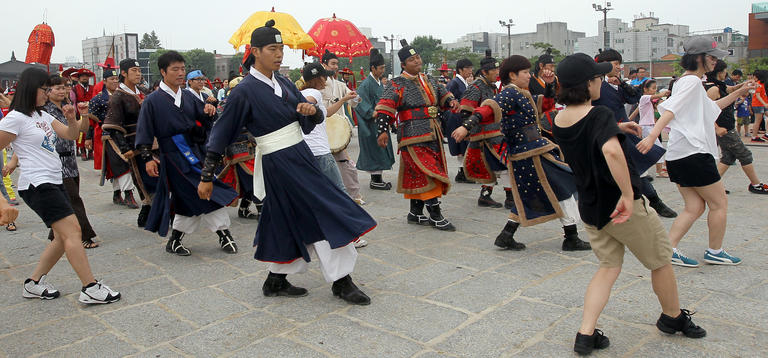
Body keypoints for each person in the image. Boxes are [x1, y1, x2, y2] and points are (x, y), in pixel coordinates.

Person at [200, 21, 375, 305]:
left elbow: (308, 120)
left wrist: (310, 112)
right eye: (272, 49)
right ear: (255, 51)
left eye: (281, 49)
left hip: (300, 155)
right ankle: (342, 281)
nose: (279, 54)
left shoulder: (283, 81)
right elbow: (220, 132)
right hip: (278, 163)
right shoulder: (243, 91)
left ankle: (275, 280)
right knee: (324, 210)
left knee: (285, 218)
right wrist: (207, 175)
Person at [552, 53, 706, 355]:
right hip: (621, 205)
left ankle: (586, 334)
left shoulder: (559, 119)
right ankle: (672, 317)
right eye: (598, 78)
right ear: (588, 84)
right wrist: (626, 194)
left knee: (608, 266)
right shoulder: (598, 114)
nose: (602, 81)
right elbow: (610, 152)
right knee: (660, 260)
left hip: (591, 206)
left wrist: (617, 128)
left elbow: (586, 139)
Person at [0, 68, 120, 304]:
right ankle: (90, 286)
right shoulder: (15, 118)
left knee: (61, 238)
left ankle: (33, 283)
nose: (48, 94)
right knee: (73, 232)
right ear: (30, 89)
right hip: (37, 183)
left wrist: (74, 116)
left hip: (54, 180)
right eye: (44, 89)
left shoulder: (42, 116)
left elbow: (70, 134)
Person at [637, 36, 757, 267]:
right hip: (694, 153)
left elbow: (711, 108)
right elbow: (670, 110)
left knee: (694, 207)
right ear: (699, 58)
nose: (715, 61)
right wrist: (652, 136)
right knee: (719, 203)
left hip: (679, 155)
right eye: (712, 57)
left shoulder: (687, 82)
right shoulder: (692, 83)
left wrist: (738, 92)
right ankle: (715, 250)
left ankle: (668, 248)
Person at [462, 55, 590, 251]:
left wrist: (548, 85)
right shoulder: (509, 94)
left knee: (529, 193)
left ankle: (506, 235)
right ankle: (571, 236)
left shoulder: (521, 93)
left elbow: (545, 106)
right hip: (528, 153)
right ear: (512, 75)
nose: (529, 75)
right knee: (561, 186)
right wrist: (467, 126)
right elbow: (489, 108)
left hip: (531, 150)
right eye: (525, 72)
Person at [135, 51, 239, 256]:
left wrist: (209, 109)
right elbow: (144, 131)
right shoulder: (152, 101)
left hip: (194, 151)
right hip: (171, 155)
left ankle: (175, 240)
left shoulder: (189, 97)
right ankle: (224, 233)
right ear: (163, 72)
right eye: (175, 69)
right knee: (202, 189)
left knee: (188, 196)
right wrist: (147, 158)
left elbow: (204, 118)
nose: (181, 73)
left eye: (183, 69)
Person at [375, 40, 460, 231]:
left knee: (417, 172)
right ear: (403, 65)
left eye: (418, 57)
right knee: (427, 171)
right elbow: (385, 108)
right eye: (412, 60)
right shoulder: (396, 83)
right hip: (412, 134)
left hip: (433, 131)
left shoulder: (429, 79)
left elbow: (444, 95)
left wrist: (452, 101)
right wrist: (382, 131)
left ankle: (415, 213)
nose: (417, 61)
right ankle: (436, 215)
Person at [593, 49, 678, 219]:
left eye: (619, 64)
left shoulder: (616, 83)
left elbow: (634, 98)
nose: (619, 67)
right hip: (608, 133)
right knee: (630, 170)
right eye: (616, 64)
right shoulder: (594, 85)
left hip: (625, 131)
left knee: (636, 168)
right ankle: (649, 201)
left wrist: (621, 84)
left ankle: (652, 201)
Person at [40, 75, 100, 248]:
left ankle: (56, 235)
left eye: (64, 87)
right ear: (48, 91)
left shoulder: (66, 107)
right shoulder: (44, 111)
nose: (62, 91)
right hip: (55, 161)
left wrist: (84, 115)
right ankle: (85, 235)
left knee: (66, 199)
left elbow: (81, 128)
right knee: (73, 199)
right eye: (57, 88)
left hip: (70, 161)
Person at [451, 50, 508, 209]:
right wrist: (468, 131)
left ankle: (492, 196)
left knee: (499, 165)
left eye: (498, 70)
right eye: (494, 70)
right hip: (482, 135)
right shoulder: (475, 87)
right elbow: (465, 112)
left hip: (495, 132)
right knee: (501, 165)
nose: (497, 73)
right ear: (484, 72)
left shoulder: (492, 86)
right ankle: (503, 196)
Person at [704, 60, 768, 195]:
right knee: (744, 154)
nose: (726, 73)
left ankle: (712, 184)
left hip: (726, 126)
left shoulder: (718, 85)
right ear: (719, 72)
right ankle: (755, 184)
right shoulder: (713, 89)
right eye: (725, 70)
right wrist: (716, 128)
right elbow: (705, 111)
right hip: (724, 129)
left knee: (728, 157)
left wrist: (744, 85)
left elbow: (730, 89)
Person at [318, 51, 365, 205]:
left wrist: (356, 97)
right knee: (326, 167)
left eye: (337, 64)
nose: (336, 67)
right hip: (323, 130)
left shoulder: (340, 85)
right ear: (324, 64)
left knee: (346, 165)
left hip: (338, 132)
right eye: (333, 64)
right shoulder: (318, 84)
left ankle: (354, 195)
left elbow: (353, 102)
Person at [102, 59, 145, 212]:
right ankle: (131, 197)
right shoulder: (118, 96)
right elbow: (113, 126)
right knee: (137, 177)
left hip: (148, 143)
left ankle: (148, 211)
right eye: (134, 70)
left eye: (139, 70)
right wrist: (124, 147)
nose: (138, 73)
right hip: (131, 142)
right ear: (124, 73)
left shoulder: (143, 92)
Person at [355, 49, 395, 191]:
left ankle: (378, 179)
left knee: (381, 149)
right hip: (372, 122)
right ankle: (375, 180)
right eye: (381, 68)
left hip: (380, 121)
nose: (383, 70)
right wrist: (371, 112)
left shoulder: (378, 83)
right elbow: (358, 101)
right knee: (375, 149)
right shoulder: (366, 84)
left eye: (384, 67)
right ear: (373, 68)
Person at [628, 80, 668, 177]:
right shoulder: (644, 97)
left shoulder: (645, 101)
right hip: (647, 127)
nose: (655, 90)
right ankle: (660, 171)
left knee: (648, 148)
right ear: (645, 89)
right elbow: (655, 97)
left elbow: (636, 112)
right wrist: (662, 94)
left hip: (647, 126)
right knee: (659, 148)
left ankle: (652, 168)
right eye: (653, 88)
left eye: (656, 88)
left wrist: (628, 121)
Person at [445, 58, 474, 184]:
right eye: (468, 68)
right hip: (456, 116)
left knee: (464, 145)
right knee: (460, 145)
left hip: (462, 117)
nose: (470, 70)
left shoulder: (463, 82)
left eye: (471, 68)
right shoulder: (454, 83)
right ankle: (462, 172)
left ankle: (464, 171)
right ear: (460, 69)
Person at [528, 49, 560, 139]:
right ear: (541, 65)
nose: (553, 69)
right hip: (538, 118)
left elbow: (558, 95)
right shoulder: (530, 81)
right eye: (550, 66)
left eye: (554, 66)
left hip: (554, 115)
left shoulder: (555, 79)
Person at [71, 69, 95, 160]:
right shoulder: (74, 89)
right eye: (82, 76)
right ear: (79, 78)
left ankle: (90, 151)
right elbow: (73, 101)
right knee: (81, 133)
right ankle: (83, 151)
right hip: (80, 112)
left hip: (91, 112)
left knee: (91, 131)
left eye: (86, 76)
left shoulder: (93, 87)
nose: (85, 78)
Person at [749, 70, 768, 142]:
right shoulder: (759, 84)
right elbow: (758, 95)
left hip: (761, 104)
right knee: (757, 121)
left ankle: (766, 134)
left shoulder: (762, 84)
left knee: (758, 120)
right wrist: (764, 103)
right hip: (758, 104)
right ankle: (754, 137)